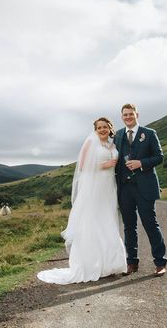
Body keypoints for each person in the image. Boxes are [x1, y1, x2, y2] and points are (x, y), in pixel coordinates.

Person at [37, 117, 127, 284]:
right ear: (95, 130)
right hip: (94, 188)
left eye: (105, 127)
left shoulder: (114, 145)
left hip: (109, 188)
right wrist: (104, 165)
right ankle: (90, 265)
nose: (102, 130)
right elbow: (84, 166)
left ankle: (110, 265)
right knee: (92, 223)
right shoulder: (90, 144)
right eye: (99, 127)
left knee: (108, 221)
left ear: (110, 128)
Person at [115, 103, 167, 276]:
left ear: (137, 115)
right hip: (125, 188)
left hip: (145, 188)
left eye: (131, 114)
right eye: (125, 115)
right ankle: (131, 263)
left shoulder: (150, 134)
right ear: (122, 117)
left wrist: (141, 163)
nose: (128, 117)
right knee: (129, 227)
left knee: (150, 224)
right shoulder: (119, 135)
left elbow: (159, 157)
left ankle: (160, 263)